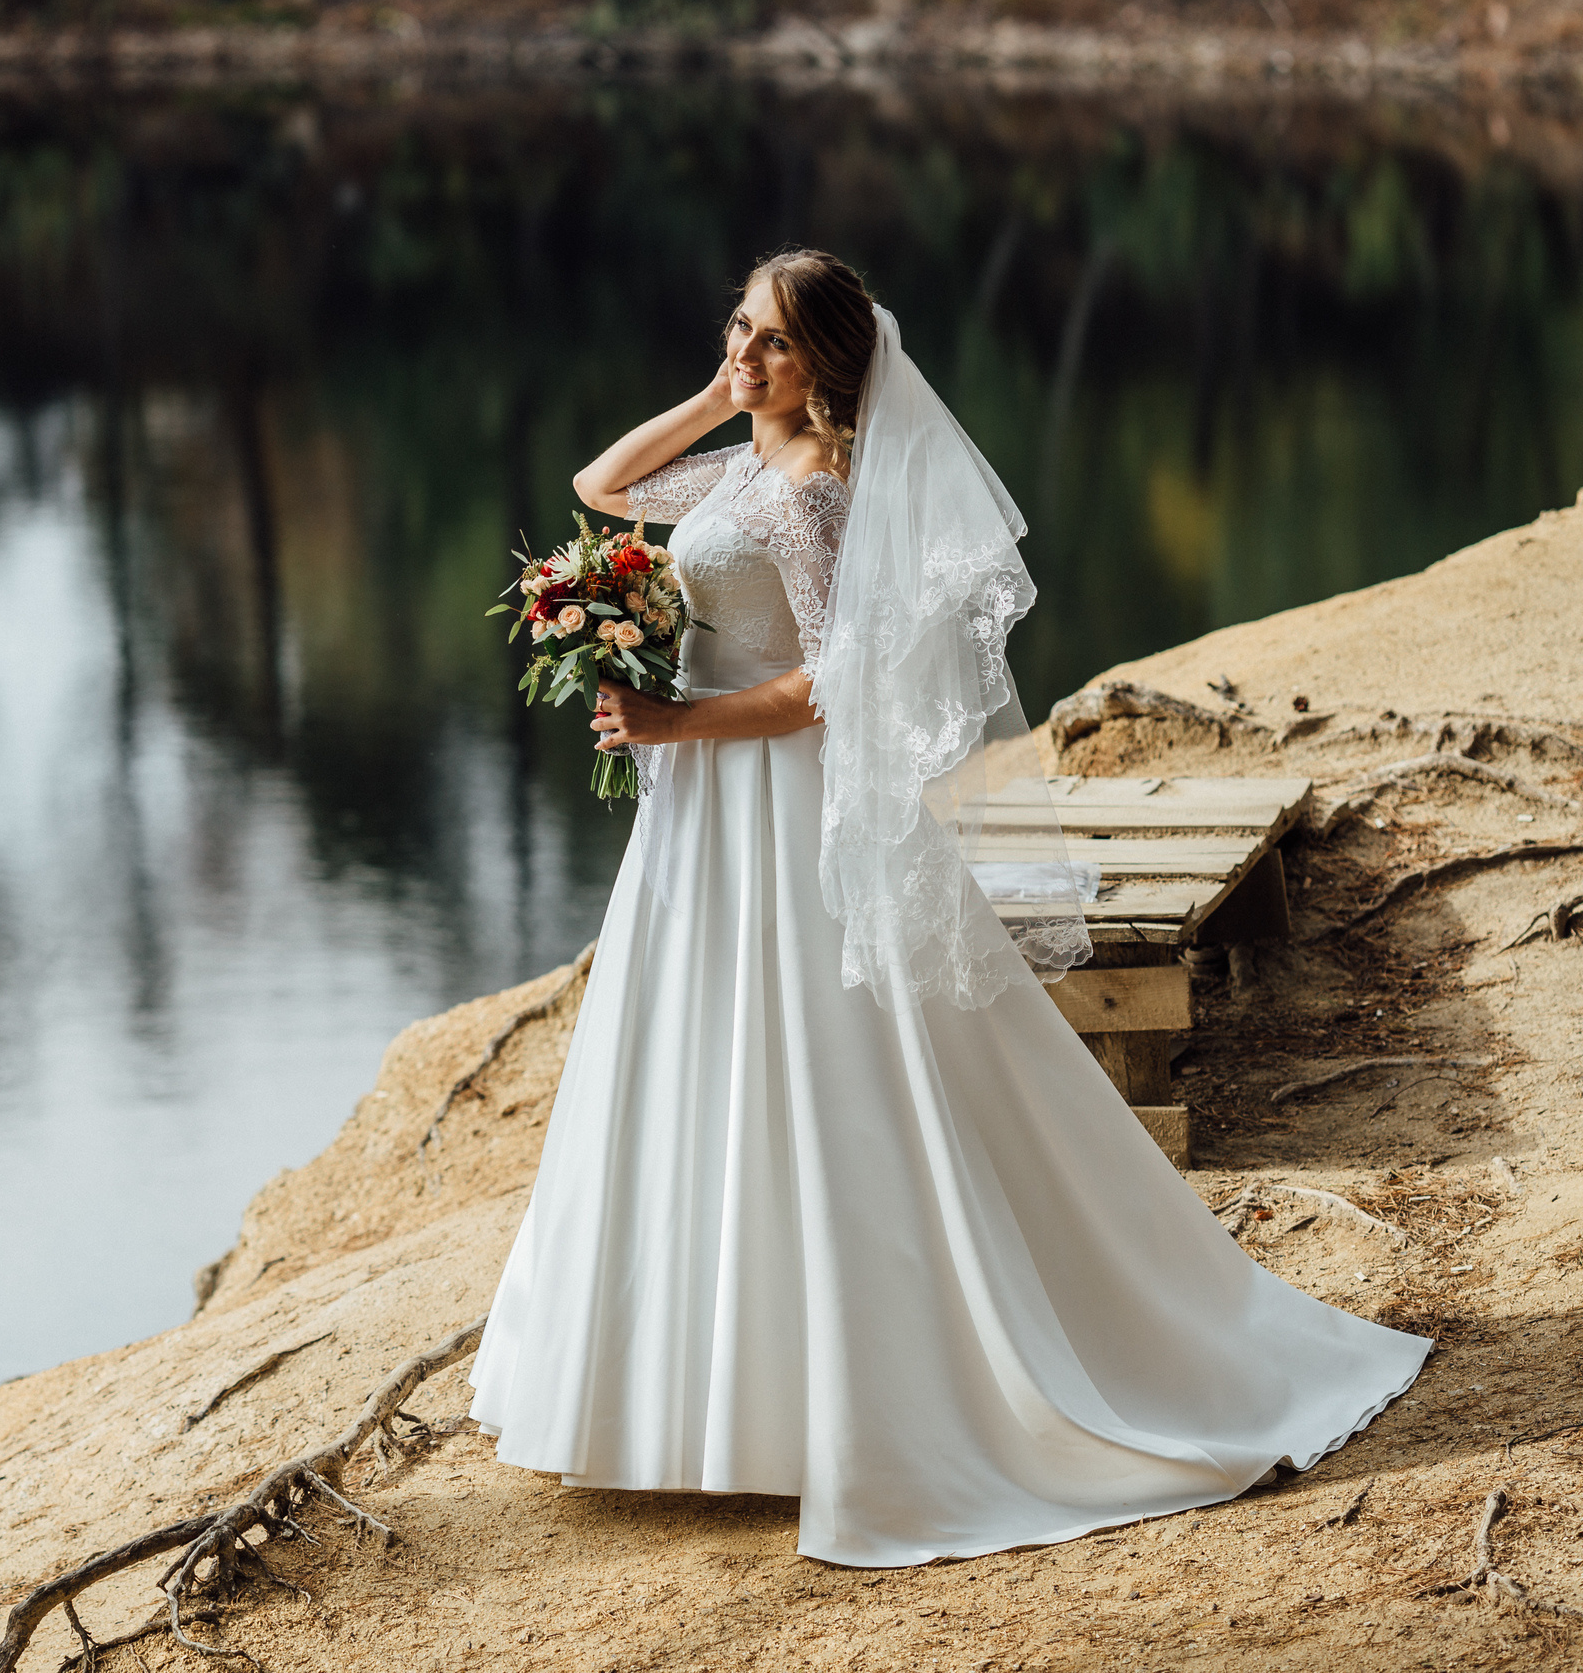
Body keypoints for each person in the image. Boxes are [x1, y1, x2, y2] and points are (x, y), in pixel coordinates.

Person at [465, 248, 1428, 1567]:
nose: (749, 354)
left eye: (776, 343)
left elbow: (830, 685)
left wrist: (677, 722)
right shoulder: (741, 464)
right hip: (701, 813)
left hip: (773, 798)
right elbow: (604, 487)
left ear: (830, 364)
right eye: (740, 328)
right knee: (700, 1048)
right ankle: (704, 1398)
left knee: (835, 1062)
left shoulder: (816, 489)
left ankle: (872, 1390)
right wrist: (716, 393)